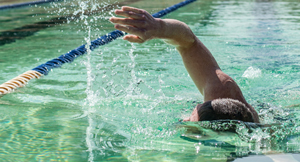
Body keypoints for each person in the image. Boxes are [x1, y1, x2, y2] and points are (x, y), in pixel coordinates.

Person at [109, 6, 260, 123]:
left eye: (192, 118)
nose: (187, 118)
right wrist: (158, 27)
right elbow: (188, 42)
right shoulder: (222, 91)